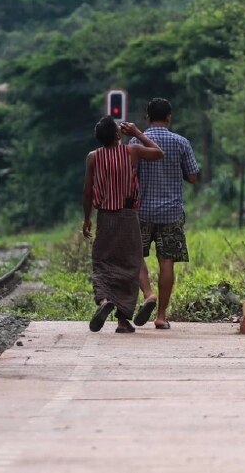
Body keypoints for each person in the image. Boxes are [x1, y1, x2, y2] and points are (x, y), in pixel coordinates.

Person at [82, 116, 163, 333]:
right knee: (131, 263)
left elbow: (88, 192)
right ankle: (128, 313)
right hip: (128, 216)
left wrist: (87, 218)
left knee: (102, 263)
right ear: (119, 135)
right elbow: (158, 153)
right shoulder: (131, 151)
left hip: (105, 217)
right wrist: (137, 133)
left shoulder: (93, 157)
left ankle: (105, 301)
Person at [133, 98, 200, 329]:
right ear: (169, 117)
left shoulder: (135, 141)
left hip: (141, 211)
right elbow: (192, 177)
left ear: (148, 118)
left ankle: (148, 293)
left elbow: (131, 173)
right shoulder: (181, 143)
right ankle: (160, 317)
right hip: (171, 212)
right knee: (167, 262)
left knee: (135, 255)